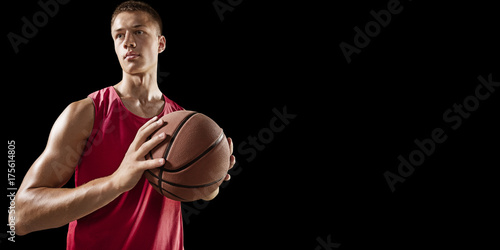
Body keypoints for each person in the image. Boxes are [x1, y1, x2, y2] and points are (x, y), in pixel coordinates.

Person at [14, 1, 235, 249]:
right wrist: (117, 182)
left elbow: (199, 190)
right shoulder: (87, 113)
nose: (127, 41)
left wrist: (210, 178)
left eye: (139, 31)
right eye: (119, 35)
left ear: (161, 43)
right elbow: (20, 216)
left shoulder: (182, 120)